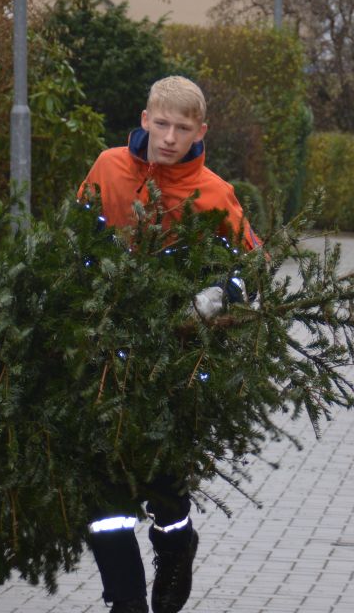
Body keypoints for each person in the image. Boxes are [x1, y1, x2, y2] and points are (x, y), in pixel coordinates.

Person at [77, 76, 260, 613]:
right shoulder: (108, 168)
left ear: (201, 131)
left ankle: (176, 546)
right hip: (103, 355)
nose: (170, 137)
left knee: (163, 483)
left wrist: (218, 294)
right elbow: (70, 238)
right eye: (162, 124)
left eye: (183, 128)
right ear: (144, 119)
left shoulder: (214, 194)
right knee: (103, 494)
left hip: (171, 365)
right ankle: (126, 603)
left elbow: (254, 265)